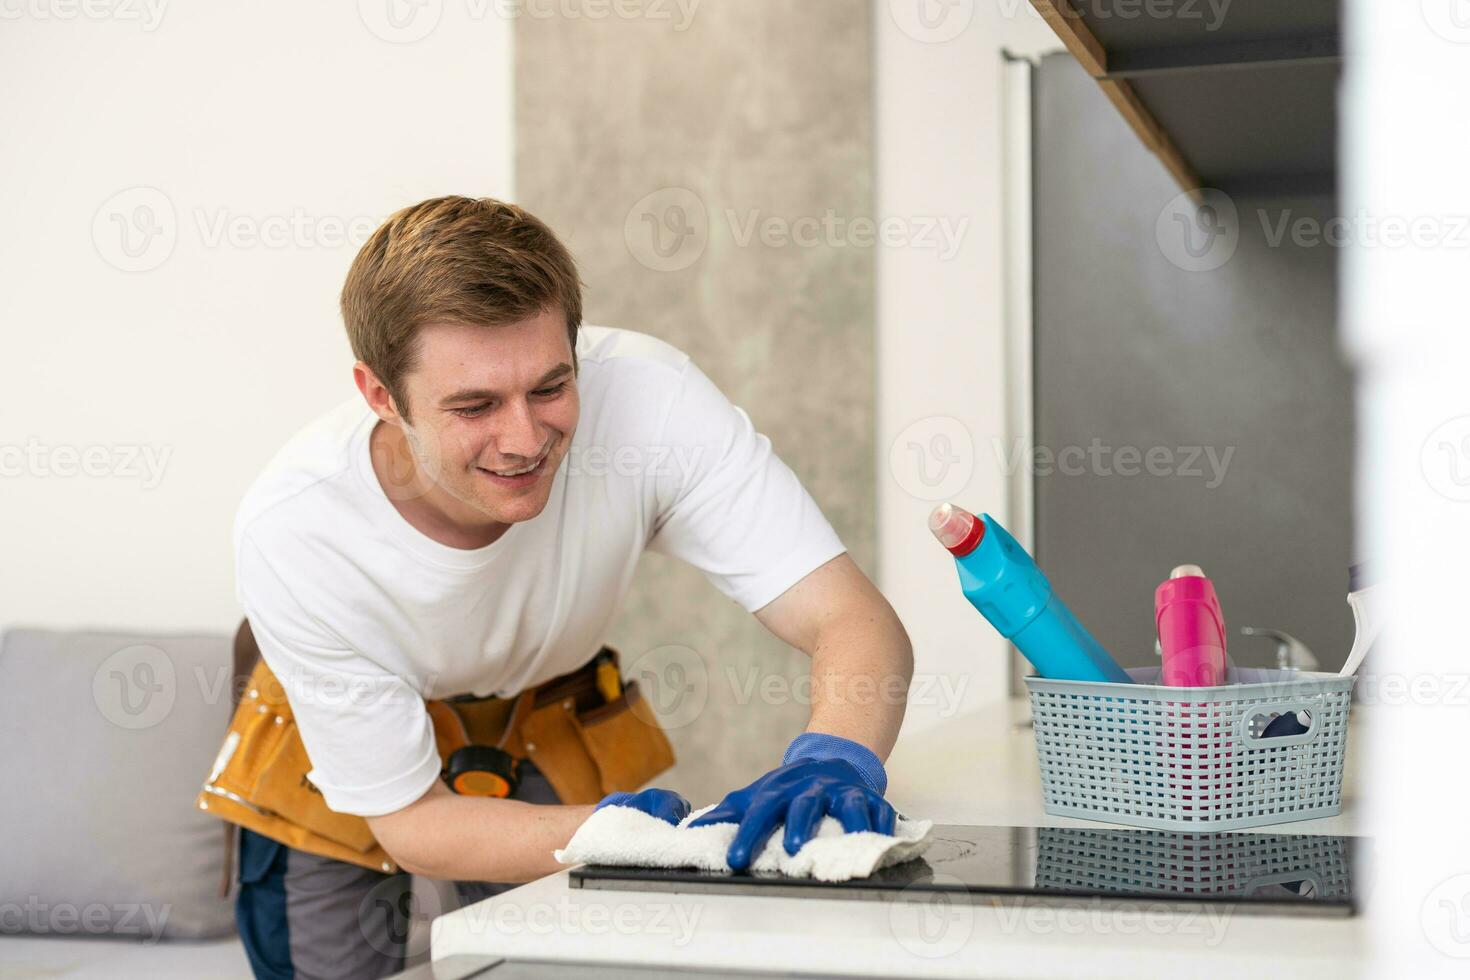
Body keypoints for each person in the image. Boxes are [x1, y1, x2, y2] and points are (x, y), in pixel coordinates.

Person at [226, 195, 914, 979]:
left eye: (550, 387)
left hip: (538, 710)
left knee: (571, 963)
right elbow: (412, 822)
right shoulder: (295, 532)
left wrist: (838, 755)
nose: (525, 440)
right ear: (381, 395)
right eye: (475, 405)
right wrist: (605, 834)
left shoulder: (654, 405)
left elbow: (850, 616)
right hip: (341, 757)